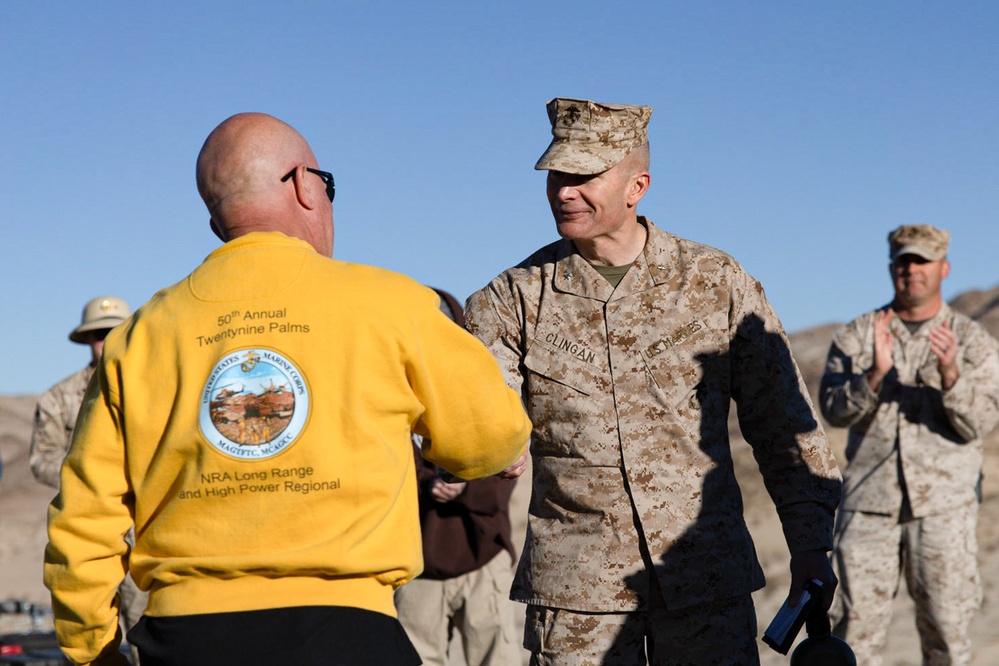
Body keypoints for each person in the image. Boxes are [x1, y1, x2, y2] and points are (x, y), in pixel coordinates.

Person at [43, 112, 531, 666]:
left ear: (215, 223)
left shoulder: (141, 337)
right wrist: (503, 451)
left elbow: (83, 520)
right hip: (347, 633)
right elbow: (488, 437)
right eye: (327, 185)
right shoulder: (392, 304)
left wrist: (92, 650)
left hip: (181, 638)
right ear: (304, 184)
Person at [464, 97, 843, 665]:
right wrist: (487, 442)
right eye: (557, 175)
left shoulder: (716, 283)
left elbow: (786, 426)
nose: (564, 190)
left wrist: (811, 546)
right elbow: (476, 413)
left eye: (584, 175)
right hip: (577, 599)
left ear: (636, 185)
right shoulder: (511, 300)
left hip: (705, 582)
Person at [820, 224, 999, 665]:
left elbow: (982, 423)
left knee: (946, 631)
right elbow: (832, 410)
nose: (912, 270)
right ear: (891, 268)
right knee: (854, 634)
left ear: (943, 268)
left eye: (922, 262)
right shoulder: (860, 334)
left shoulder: (972, 341)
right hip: (868, 506)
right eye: (904, 261)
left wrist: (952, 376)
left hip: (945, 508)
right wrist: (875, 376)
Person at [394, 288, 524, 666]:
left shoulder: (482, 390)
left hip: (481, 556)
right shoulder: (389, 398)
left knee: (496, 660)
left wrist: (465, 485)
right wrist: (426, 485)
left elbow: (505, 461)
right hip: (417, 566)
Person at [30, 295, 148, 665]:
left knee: (152, 633)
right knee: (87, 639)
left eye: (115, 331)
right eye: (98, 334)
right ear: (87, 340)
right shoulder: (58, 399)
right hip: (89, 534)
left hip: (147, 534)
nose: (107, 339)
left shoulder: (154, 387)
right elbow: (41, 459)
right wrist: (90, 473)